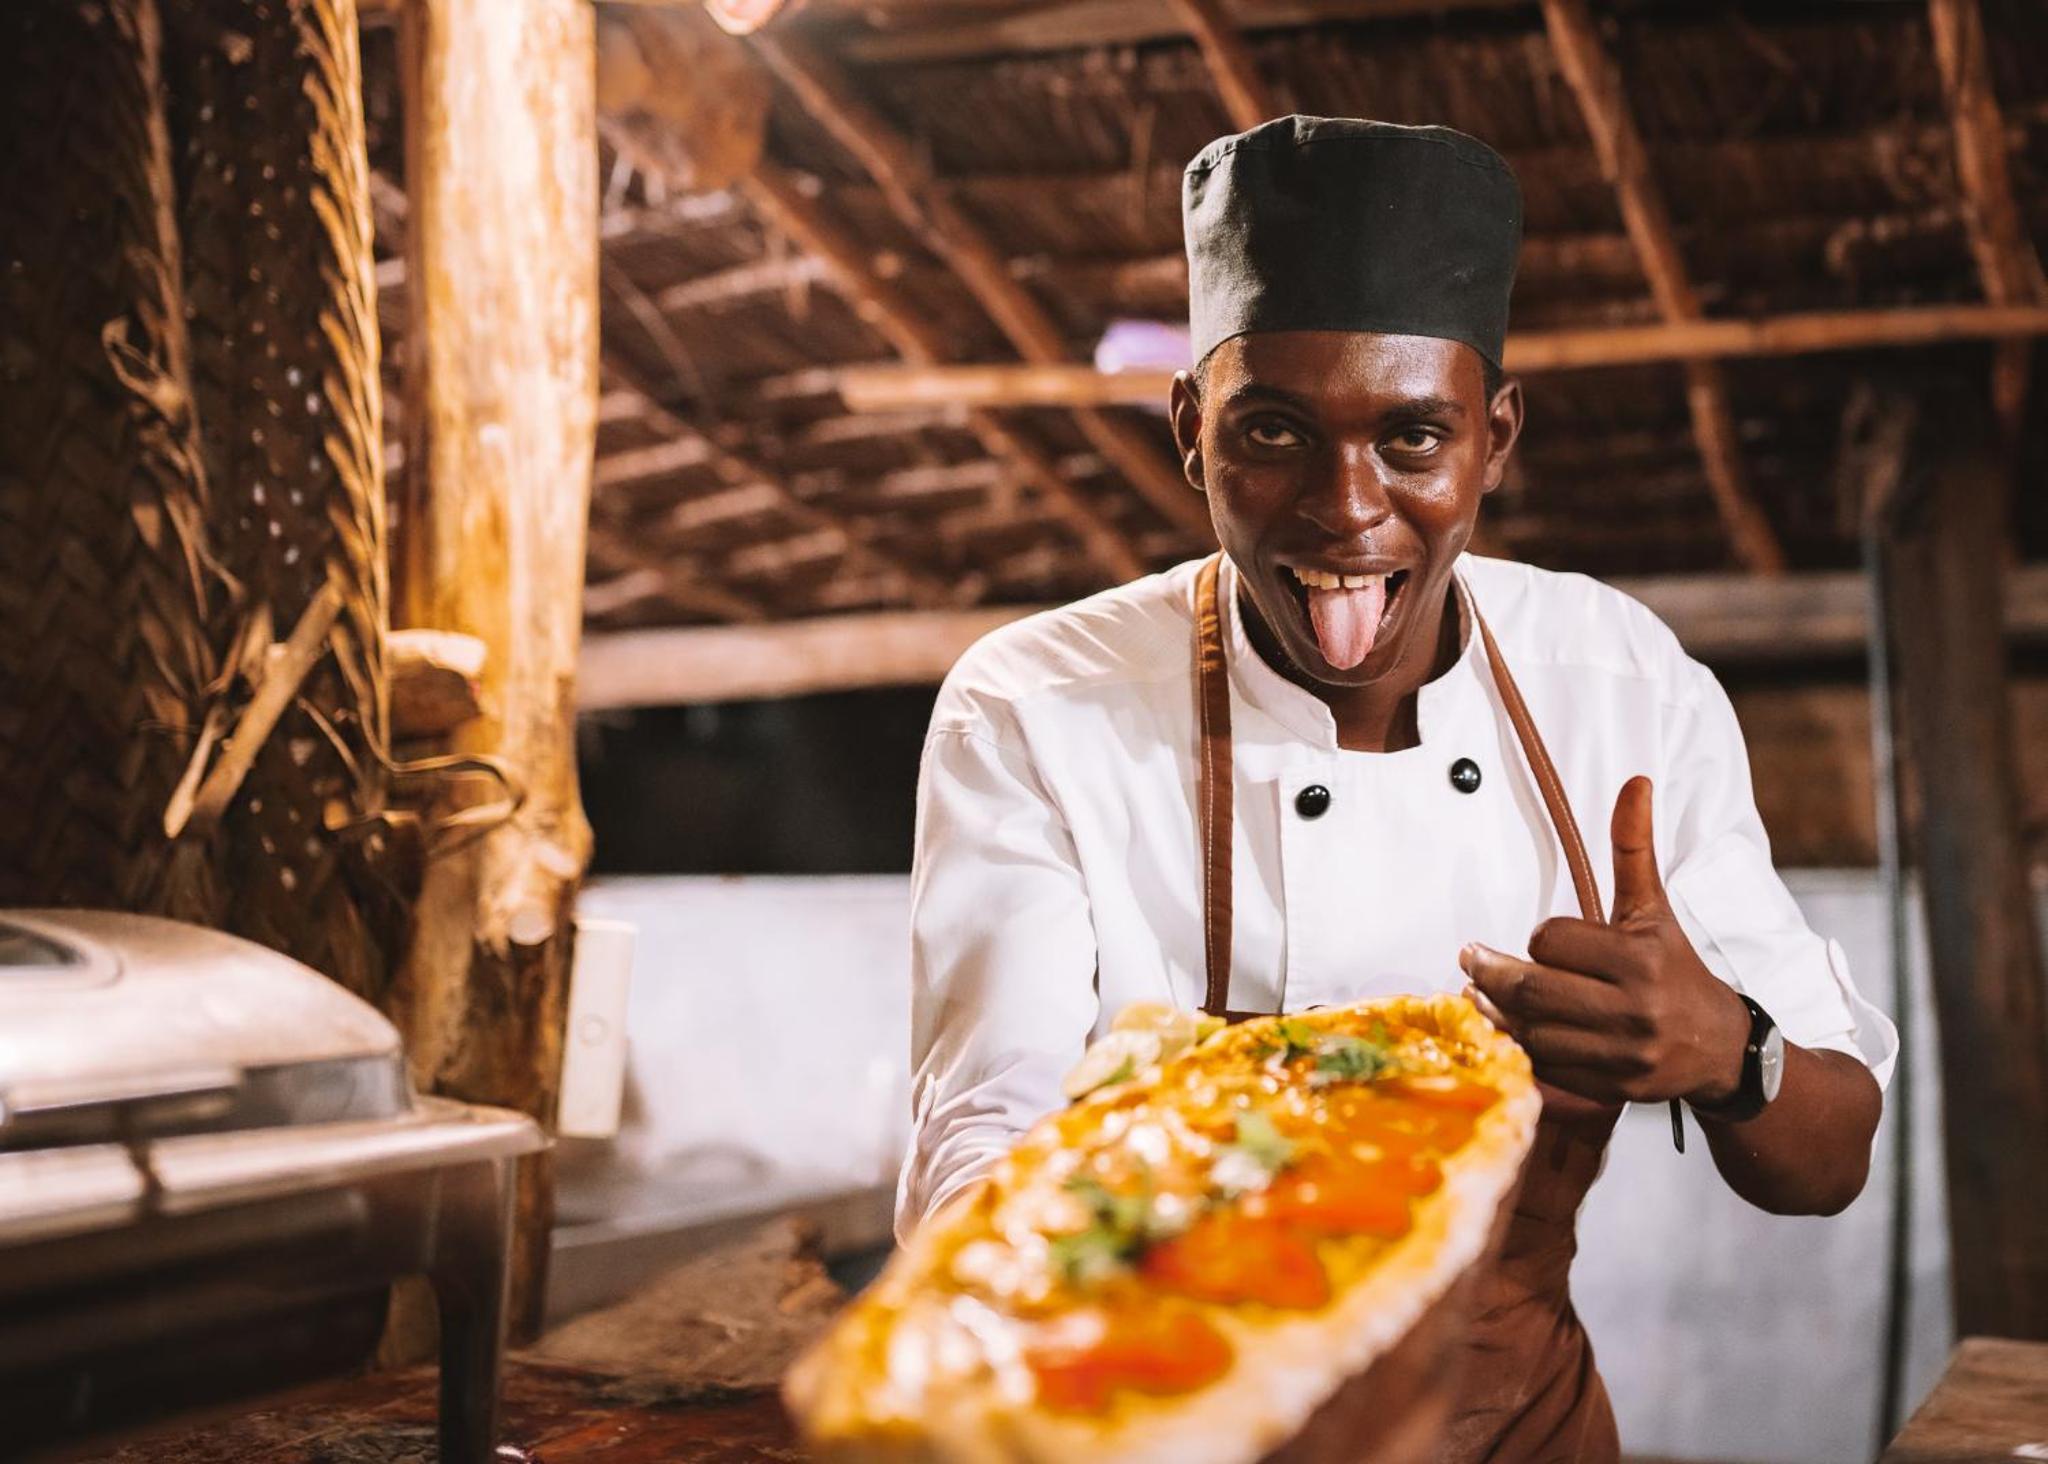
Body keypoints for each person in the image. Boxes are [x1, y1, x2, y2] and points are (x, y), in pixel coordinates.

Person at [896, 115, 1895, 1460]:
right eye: (1274, 432)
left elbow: (1832, 1157)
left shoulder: (1620, 686)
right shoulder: (1036, 707)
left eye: (1414, 437)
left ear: (1496, 437)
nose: (1348, 507)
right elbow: (982, 1143)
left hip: (1519, 1431)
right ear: (1190, 430)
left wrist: (1730, 1052)